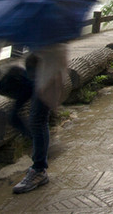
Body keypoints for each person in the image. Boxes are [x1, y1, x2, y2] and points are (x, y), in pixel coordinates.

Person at [10, 41, 69, 194]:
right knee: (13, 116)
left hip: (47, 71)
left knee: (37, 119)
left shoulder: (53, 23)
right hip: (32, 67)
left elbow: (60, 49)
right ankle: (44, 146)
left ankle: (39, 169)